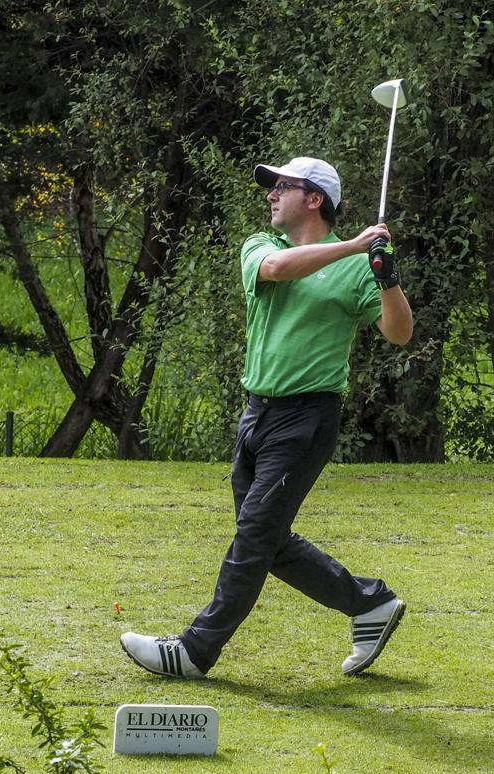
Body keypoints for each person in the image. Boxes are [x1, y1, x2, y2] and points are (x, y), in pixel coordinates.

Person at [121, 156, 413, 680]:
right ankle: (370, 604)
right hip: (256, 413)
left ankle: (193, 651)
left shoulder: (356, 269)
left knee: (256, 535)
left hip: (307, 417)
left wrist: (388, 279)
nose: (270, 194)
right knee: (268, 540)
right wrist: (355, 246)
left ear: (315, 198)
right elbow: (278, 272)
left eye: (282, 186)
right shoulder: (263, 248)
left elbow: (399, 333)